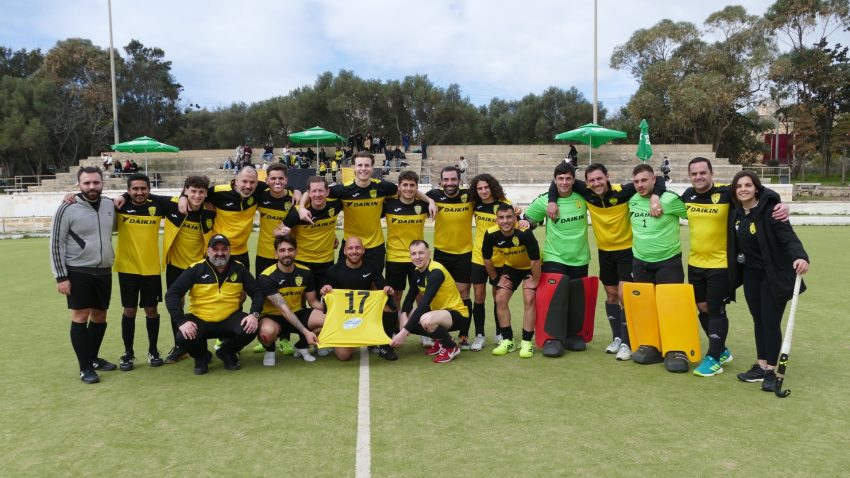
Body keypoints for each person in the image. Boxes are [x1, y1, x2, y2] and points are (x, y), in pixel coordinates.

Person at [683, 158, 788, 377]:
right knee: (702, 307)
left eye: (703, 173)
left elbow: (757, 190)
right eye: (694, 174)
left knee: (716, 309)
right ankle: (720, 350)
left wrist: (780, 203)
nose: (699, 177)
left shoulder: (726, 194)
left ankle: (713, 358)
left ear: (711, 173)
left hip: (721, 264)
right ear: (689, 175)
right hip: (695, 263)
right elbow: (660, 190)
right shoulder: (687, 196)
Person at [729, 170, 809, 392]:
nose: (743, 189)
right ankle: (761, 365)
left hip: (774, 274)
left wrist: (800, 256)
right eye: (739, 186)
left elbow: (788, 237)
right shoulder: (736, 213)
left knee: (771, 321)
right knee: (758, 319)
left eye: (748, 185)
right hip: (751, 275)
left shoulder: (771, 211)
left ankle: (772, 371)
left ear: (757, 188)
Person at [50, 167, 117, 383]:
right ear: (78, 184)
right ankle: (84, 367)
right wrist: (61, 276)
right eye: (87, 183)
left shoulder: (109, 205)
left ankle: (94, 358)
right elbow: (56, 243)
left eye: (96, 182)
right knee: (80, 316)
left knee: (100, 316)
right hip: (78, 270)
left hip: (104, 270)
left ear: (102, 182)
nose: (92, 187)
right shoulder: (67, 207)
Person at [164, 234, 263, 374]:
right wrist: (181, 321)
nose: (220, 253)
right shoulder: (195, 269)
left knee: (251, 327)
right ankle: (201, 356)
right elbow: (172, 294)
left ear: (229, 250)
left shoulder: (239, 268)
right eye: (215, 249)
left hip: (230, 318)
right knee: (182, 336)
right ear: (208, 250)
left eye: (224, 249)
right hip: (200, 319)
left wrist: (254, 314)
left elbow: (257, 292)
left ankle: (227, 352)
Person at [523, 162, 590, 354]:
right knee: (554, 298)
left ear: (573, 180)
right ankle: (553, 338)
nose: (564, 182)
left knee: (576, 298)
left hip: (580, 257)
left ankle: (572, 335)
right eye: (560, 178)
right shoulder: (544, 201)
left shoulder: (583, 197)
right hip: (554, 257)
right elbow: (528, 222)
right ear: (554, 180)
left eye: (568, 178)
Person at [628, 164, 689, 372]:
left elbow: (694, 216)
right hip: (640, 261)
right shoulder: (631, 200)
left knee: (671, 305)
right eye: (636, 181)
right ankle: (652, 345)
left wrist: (657, 196)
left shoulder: (670, 199)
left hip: (668, 260)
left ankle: (676, 348)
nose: (640, 185)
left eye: (644, 180)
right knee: (646, 306)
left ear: (654, 180)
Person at [160, 175, 216, 364]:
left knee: (202, 306)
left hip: (199, 267)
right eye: (193, 191)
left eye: (201, 192)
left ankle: (201, 345)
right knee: (176, 305)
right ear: (185, 191)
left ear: (206, 193)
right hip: (175, 265)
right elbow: (143, 196)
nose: (197, 196)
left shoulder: (209, 211)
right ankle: (180, 347)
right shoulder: (172, 206)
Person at [113, 173, 165, 371]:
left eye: (143, 188)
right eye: (134, 189)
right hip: (127, 268)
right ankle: (128, 352)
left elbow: (178, 199)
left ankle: (153, 350)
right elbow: (93, 197)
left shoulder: (157, 206)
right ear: (128, 190)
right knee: (129, 311)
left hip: (151, 269)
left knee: (151, 311)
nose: (139, 192)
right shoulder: (119, 206)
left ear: (149, 189)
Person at [390, 240, 470, 363]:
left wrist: (403, 332)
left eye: (421, 253)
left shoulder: (436, 272)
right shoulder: (417, 271)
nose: (417, 257)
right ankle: (440, 340)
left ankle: (450, 347)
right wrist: (403, 315)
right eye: (413, 254)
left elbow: (424, 304)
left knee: (425, 320)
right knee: (404, 317)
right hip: (438, 312)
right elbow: (410, 296)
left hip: (457, 314)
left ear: (429, 254)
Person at [319, 237, 397, 361]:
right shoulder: (334, 270)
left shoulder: (371, 267)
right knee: (344, 356)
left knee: (390, 306)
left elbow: (383, 288)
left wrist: (388, 290)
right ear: (344, 251)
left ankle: (384, 345)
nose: (354, 251)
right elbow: (323, 296)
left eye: (357, 248)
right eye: (350, 248)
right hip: (343, 318)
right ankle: (349, 336)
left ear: (363, 250)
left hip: (366, 314)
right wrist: (324, 291)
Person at [483, 204, 541, 358]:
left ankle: (527, 342)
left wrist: (535, 280)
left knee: (529, 299)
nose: (505, 221)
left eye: (509, 217)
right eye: (501, 218)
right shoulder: (490, 234)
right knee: (500, 298)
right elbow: (487, 259)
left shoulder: (525, 233)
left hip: (531, 267)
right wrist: (496, 279)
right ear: (496, 220)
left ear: (515, 218)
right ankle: (507, 340)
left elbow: (535, 260)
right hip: (512, 268)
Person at [256, 234, 324, 366]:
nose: (286, 254)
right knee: (266, 333)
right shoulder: (266, 276)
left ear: (296, 251)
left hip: (297, 312)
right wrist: (306, 332)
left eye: (290, 249)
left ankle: (301, 346)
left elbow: (313, 302)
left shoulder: (305, 272)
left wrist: (332, 308)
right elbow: (283, 309)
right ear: (275, 253)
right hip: (273, 316)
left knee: (327, 320)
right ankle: (269, 350)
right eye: (282, 250)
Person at [426, 166, 474, 349]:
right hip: (441, 254)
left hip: (464, 254)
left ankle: (464, 334)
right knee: (438, 294)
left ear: (459, 181)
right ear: (441, 182)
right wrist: (429, 200)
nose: (450, 183)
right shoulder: (435, 195)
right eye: (446, 180)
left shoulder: (469, 196)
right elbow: (416, 193)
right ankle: (440, 335)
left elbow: (491, 195)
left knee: (463, 294)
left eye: (453, 179)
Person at [468, 173, 514, 351]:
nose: (483, 191)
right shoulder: (475, 204)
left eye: (486, 187)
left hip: (501, 259)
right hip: (479, 257)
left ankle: (499, 332)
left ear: (492, 187)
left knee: (498, 297)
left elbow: (515, 222)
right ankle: (479, 335)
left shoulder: (504, 205)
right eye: (480, 188)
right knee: (479, 296)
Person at [280, 176, 343, 288]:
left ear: (327, 192)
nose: (317, 194)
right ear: (308, 193)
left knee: (323, 299)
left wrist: (333, 235)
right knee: (300, 301)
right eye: (314, 191)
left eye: (321, 190)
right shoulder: (297, 213)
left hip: (326, 262)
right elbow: (278, 230)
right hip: (302, 261)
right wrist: (283, 232)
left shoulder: (336, 204)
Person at [383, 170, 429, 322]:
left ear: (417, 187)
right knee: (396, 295)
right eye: (405, 185)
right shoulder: (388, 204)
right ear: (399, 187)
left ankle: (423, 329)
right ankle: (397, 327)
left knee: (420, 294)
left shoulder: (423, 205)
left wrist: (432, 201)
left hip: (418, 258)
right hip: (395, 258)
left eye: (412, 185)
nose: (408, 189)